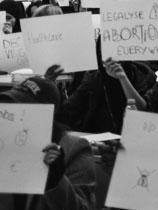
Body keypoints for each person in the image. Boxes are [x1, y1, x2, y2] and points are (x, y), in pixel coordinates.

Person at [0, 77, 96, 210]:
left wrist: (55, 180)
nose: (12, 113)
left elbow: (84, 208)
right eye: (8, 105)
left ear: (47, 116)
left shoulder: (73, 148)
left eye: (22, 108)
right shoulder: (6, 145)